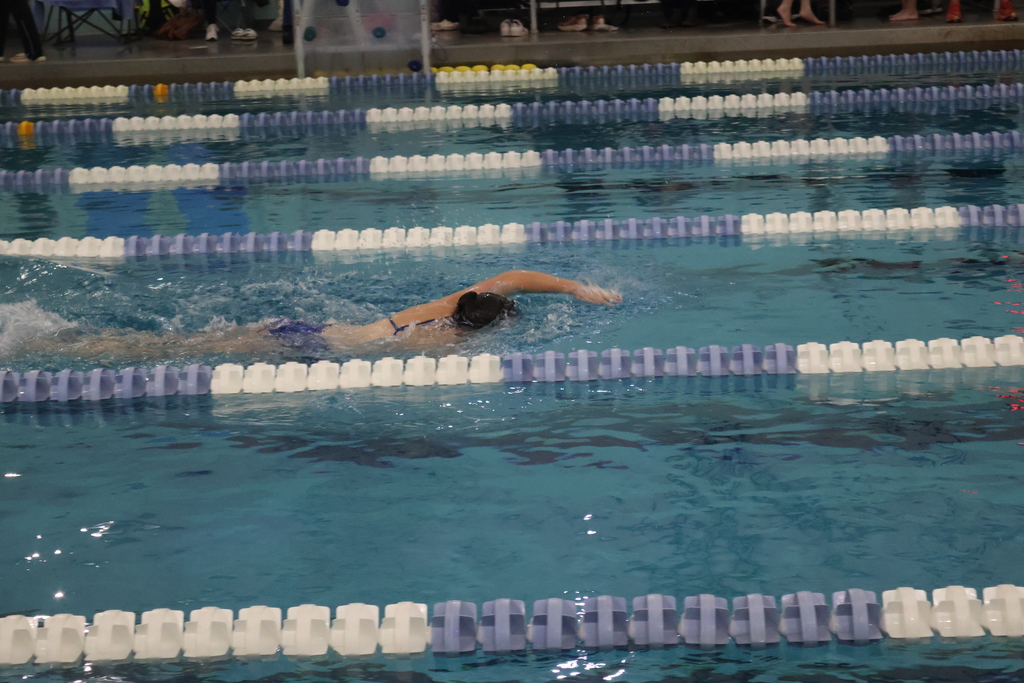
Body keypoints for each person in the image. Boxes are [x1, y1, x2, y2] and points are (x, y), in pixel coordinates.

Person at [28, 270, 622, 361]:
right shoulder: (444, 341)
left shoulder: (449, 305)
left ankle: (65, 340)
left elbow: (514, 277)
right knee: (176, 350)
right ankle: (53, 344)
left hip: (311, 331)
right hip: (311, 346)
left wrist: (573, 289)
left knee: (187, 342)